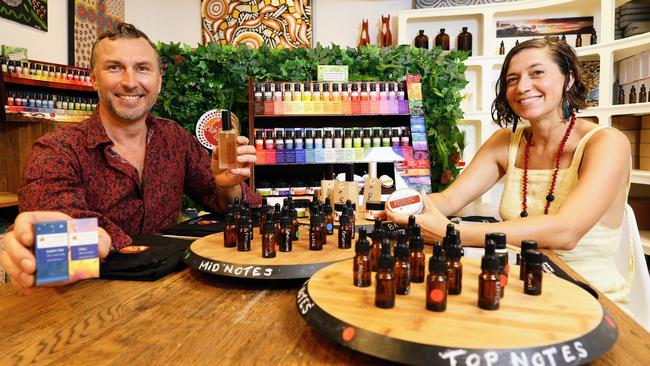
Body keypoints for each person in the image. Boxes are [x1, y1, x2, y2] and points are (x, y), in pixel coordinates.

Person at [0, 23, 256, 291]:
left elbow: (230, 208)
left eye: (142, 68)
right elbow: (54, 252)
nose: (130, 82)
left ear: (159, 80)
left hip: (171, 294)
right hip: (88, 302)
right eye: (114, 67)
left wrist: (228, 186)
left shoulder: (175, 138)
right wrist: (75, 243)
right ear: (94, 78)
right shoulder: (57, 151)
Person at [387, 38, 631, 304]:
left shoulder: (606, 143)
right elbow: (449, 200)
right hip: (518, 288)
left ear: (568, 78)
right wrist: (402, 208)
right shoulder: (505, 142)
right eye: (512, 79)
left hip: (588, 298)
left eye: (537, 73)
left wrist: (452, 232)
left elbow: (566, 231)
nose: (523, 87)